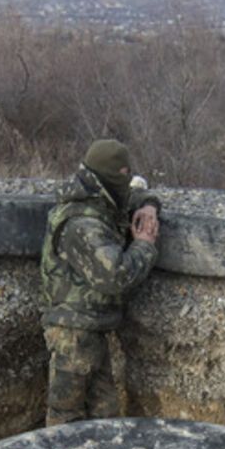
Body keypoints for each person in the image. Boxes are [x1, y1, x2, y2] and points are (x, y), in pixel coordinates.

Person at [40, 139, 161, 426]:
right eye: (121, 173)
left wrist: (149, 206)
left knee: (104, 415)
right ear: (106, 176)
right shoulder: (83, 223)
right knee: (66, 418)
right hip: (73, 333)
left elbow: (131, 194)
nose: (126, 181)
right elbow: (115, 277)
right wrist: (144, 245)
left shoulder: (96, 195)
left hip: (91, 327)